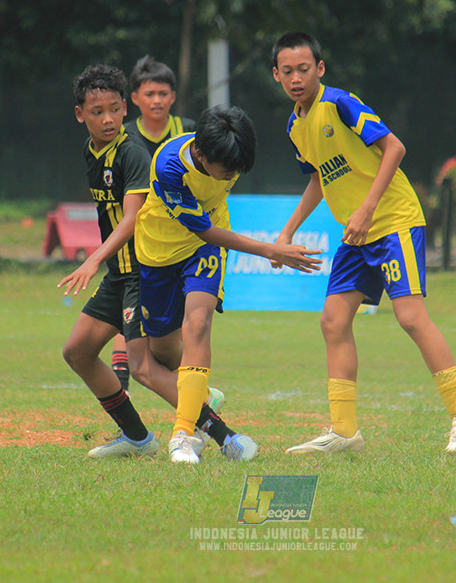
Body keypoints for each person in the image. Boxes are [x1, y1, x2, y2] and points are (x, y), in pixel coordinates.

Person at [270, 32, 456, 456]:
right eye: (287, 71)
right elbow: (319, 179)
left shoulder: (340, 103)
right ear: (276, 75)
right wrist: (286, 232)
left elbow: (394, 148)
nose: (296, 78)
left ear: (320, 68)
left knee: (411, 318)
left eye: (304, 69)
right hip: (357, 233)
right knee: (333, 321)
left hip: (394, 221)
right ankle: (345, 433)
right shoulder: (295, 126)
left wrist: (367, 208)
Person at [134, 104, 322, 464]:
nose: (232, 176)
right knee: (164, 350)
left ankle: (182, 435)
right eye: (227, 171)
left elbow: (207, 236)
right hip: (158, 253)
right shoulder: (170, 166)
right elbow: (202, 228)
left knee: (198, 324)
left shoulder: (226, 152)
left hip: (203, 250)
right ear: (201, 155)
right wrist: (271, 249)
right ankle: (203, 396)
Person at [57, 65, 229, 459]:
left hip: (141, 271)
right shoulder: (92, 150)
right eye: (97, 112)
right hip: (118, 273)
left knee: (144, 367)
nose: (108, 119)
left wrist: (92, 259)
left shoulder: (132, 152)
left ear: (124, 108)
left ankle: (223, 434)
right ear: (80, 114)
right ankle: (138, 437)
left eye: (114, 110)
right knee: (77, 351)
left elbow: (132, 218)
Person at [107, 56, 197, 391]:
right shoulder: (124, 137)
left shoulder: (188, 132)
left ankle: (196, 387)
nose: (156, 100)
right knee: (129, 307)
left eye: (162, 93)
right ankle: (122, 381)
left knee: (177, 329)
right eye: (149, 94)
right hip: (139, 240)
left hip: (183, 241)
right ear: (135, 98)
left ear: (173, 96)